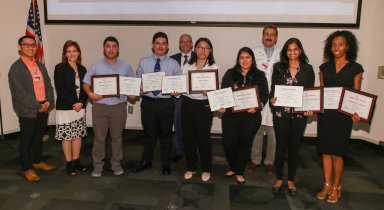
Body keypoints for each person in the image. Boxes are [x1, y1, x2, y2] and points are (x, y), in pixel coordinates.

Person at [316, 30, 363, 203]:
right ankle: (327, 184)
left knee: (337, 153)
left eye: (341, 44)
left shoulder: (356, 68)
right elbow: (320, 91)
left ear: (348, 47)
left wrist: (357, 112)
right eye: (334, 44)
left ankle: (337, 187)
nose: (336, 47)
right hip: (326, 114)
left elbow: (356, 93)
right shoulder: (324, 68)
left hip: (343, 116)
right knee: (326, 152)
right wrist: (313, 106)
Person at [83, 36, 135, 177]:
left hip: (118, 107)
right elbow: (86, 83)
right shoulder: (96, 65)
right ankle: (97, 165)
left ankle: (116, 163)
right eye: (108, 46)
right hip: (100, 107)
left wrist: (133, 93)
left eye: (114, 46)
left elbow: (133, 84)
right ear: (104, 48)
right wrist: (90, 93)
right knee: (99, 138)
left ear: (118, 49)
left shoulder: (126, 66)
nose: (111, 49)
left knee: (117, 137)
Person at [270, 38, 315, 195]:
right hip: (280, 114)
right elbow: (272, 91)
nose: (292, 52)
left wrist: (310, 109)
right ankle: (279, 178)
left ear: (300, 51)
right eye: (289, 50)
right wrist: (272, 100)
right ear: (285, 52)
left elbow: (310, 94)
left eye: (295, 49)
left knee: (294, 149)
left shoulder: (308, 69)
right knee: (281, 147)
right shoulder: (278, 68)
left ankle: (290, 180)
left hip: (299, 116)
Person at [8, 35, 56, 182]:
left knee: (38, 138)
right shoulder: (16, 68)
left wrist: (48, 102)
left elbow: (48, 85)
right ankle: (27, 168)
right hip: (28, 110)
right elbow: (20, 93)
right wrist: (38, 106)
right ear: (19, 47)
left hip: (43, 107)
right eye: (26, 45)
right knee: (26, 140)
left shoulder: (40, 65)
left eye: (33, 45)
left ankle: (37, 161)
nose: (31, 48)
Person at [133, 32, 181, 175]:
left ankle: (166, 164)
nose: (160, 46)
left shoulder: (174, 64)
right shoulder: (143, 61)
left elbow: (178, 85)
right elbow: (137, 80)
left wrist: (176, 90)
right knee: (149, 135)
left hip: (165, 103)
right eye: (158, 43)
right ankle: (146, 160)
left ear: (167, 46)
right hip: (148, 103)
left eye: (163, 43)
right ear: (153, 45)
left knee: (166, 136)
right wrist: (139, 86)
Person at [219, 47, 268, 184]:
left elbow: (264, 95)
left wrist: (258, 106)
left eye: (247, 57)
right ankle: (234, 166)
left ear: (252, 59)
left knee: (244, 144)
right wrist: (221, 105)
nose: (244, 60)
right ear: (238, 59)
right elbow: (223, 92)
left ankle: (239, 170)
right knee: (228, 144)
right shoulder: (230, 73)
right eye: (241, 57)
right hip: (231, 116)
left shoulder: (259, 75)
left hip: (251, 117)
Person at [182, 37, 219, 182]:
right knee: (188, 138)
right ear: (195, 49)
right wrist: (176, 90)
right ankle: (191, 167)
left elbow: (216, 90)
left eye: (206, 48)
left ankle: (206, 168)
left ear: (210, 51)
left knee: (203, 139)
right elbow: (182, 85)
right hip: (187, 103)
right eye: (200, 47)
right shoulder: (187, 66)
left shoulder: (214, 67)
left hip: (204, 106)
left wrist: (209, 92)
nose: (203, 50)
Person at [54, 40, 88, 176]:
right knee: (67, 136)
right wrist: (75, 103)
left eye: (74, 51)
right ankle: (69, 164)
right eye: (69, 51)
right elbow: (60, 89)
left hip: (80, 107)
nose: (72, 53)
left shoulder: (83, 69)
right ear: (65, 54)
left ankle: (76, 161)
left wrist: (82, 103)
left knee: (78, 135)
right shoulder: (60, 68)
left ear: (78, 53)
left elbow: (86, 88)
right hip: (66, 108)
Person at [250, 25, 280, 174]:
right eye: (266, 34)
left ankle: (269, 161)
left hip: (276, 97)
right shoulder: (254, 53)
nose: (269, 37)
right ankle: (255, 159)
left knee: (273, 132)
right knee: (257, 130)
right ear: (262, 36)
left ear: (276, 37)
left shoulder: (282, 54)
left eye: (272, 35)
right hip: (258, 96)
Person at [170, 33, 195, 162]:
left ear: (192, 44)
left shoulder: (199, 57)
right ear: (179, 44)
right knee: (178, 125)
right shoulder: (171, 59)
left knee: (193, 126)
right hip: (177, 99)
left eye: (187, 41)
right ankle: (179, 150)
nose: (185, 44)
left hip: (193, 98)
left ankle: (193, 151)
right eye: (182, 42)